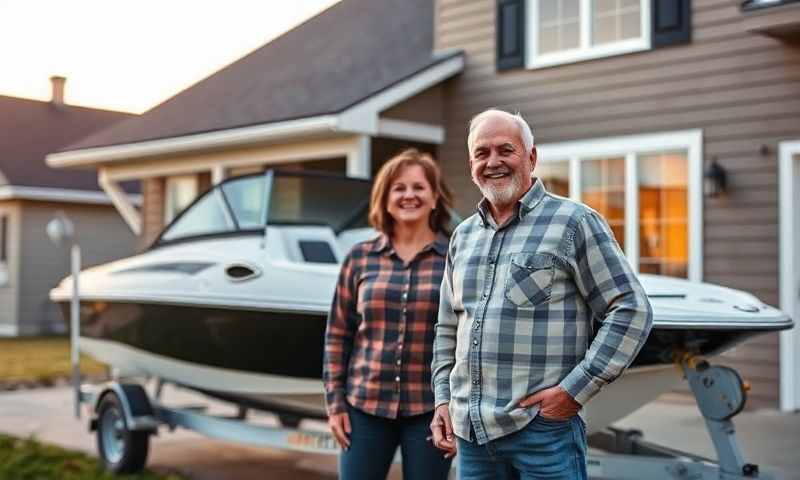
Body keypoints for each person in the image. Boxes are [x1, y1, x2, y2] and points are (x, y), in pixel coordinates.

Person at [429, 109, 653, 479]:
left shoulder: (574, 222)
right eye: (482, 153)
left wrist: (574, 392)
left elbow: (631, 309)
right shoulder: (463, 236)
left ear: (531, 157)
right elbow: (447, 326)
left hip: (543, 433)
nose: (493, 162)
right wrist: (442, 398)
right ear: (471, 164)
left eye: (506, 150)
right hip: (472, 436)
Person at [323, 148, 455, 480]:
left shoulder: (456, 257)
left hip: (431, 410)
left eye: (418, 187)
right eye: (399, 188)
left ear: (435, 197)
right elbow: (338, 334)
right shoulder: (360, 258)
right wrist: (335, 403)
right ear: (385, 198)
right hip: (363, 407)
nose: (409, 195)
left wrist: (457, 405)